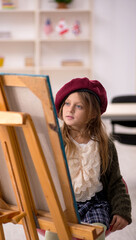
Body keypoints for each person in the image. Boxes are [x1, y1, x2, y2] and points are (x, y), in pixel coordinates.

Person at [45, 77, 132, 240]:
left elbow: (115, 181)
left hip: (95, 203)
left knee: (95, 234)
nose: (70, 110)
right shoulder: (56, 140)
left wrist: (122, 210)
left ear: (93, 113)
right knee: (53, 235)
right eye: (67, 104)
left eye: (79, 106)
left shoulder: (105, 145)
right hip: (63, 203)